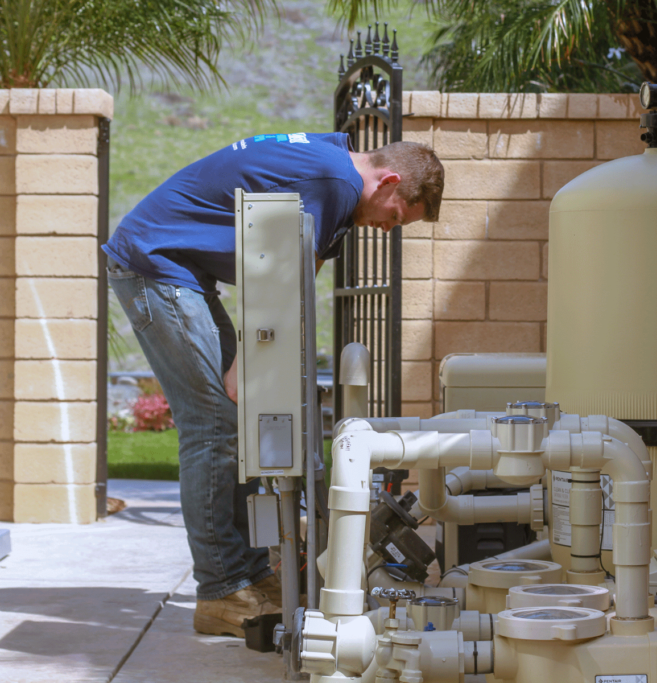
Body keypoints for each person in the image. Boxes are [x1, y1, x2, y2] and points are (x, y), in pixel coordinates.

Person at [103, 133, 444, 637]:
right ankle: (220, 590)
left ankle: (249, 576)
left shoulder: (336, 177)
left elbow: (302, 272)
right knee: (214, 425)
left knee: (235, 421)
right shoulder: (336, 181)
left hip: (183, 271)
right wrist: (250, 360)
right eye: (394, 216)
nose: (386, 228)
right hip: (155, 265)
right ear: (389, 180)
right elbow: (282, 278)